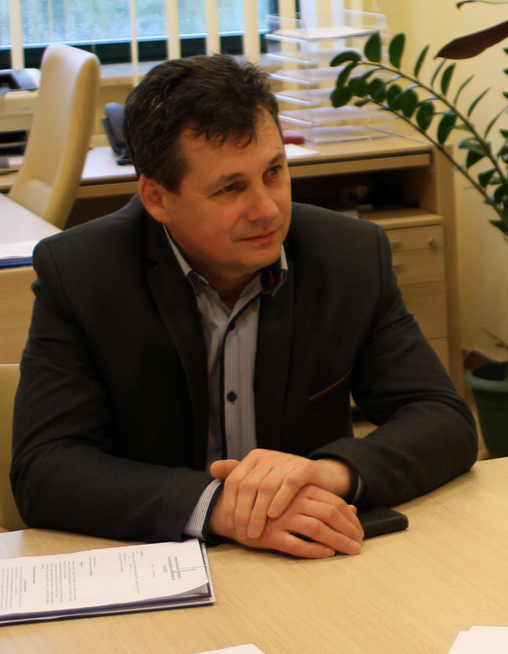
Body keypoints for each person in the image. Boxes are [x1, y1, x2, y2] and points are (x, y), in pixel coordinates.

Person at [10, 54, 477, 557]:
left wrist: (324, 473)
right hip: (164, 559)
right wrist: (221, 507)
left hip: (306, 558)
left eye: (274, 172)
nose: (267, 209)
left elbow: (442, 419)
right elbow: (45, 468)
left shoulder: (348, 257)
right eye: (231, 188)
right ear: (157, 198)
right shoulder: (82, 273)